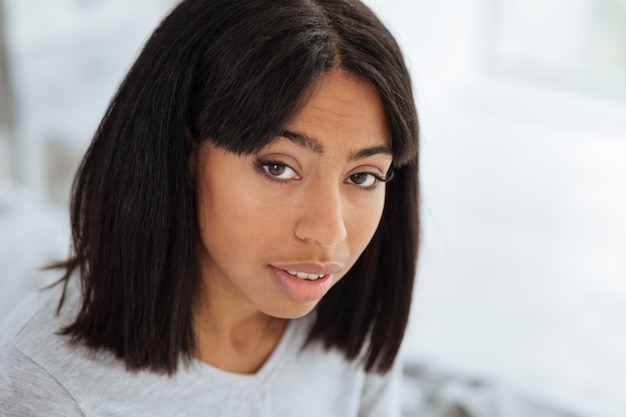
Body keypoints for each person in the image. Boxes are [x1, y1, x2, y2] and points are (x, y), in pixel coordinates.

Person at [0, 0, 419, 415]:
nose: (330, 232)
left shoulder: (358, 328)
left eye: (363, 177)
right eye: (278, 167)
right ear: (184, 153)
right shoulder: (44, 380)